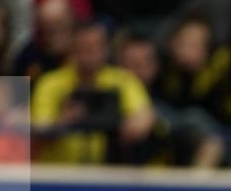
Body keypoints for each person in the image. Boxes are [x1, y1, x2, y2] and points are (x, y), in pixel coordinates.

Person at [30, 20, 154, 165]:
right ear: (73, 49)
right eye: (85, 47)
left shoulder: (122, 81)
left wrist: (132, 125)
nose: (91, 54)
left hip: (106, 173)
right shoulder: (50, 83)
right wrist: (62, 122)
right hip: (59, 174)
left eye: (97, 47)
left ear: (106, 49)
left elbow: (144, 115)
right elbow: (39, 128)